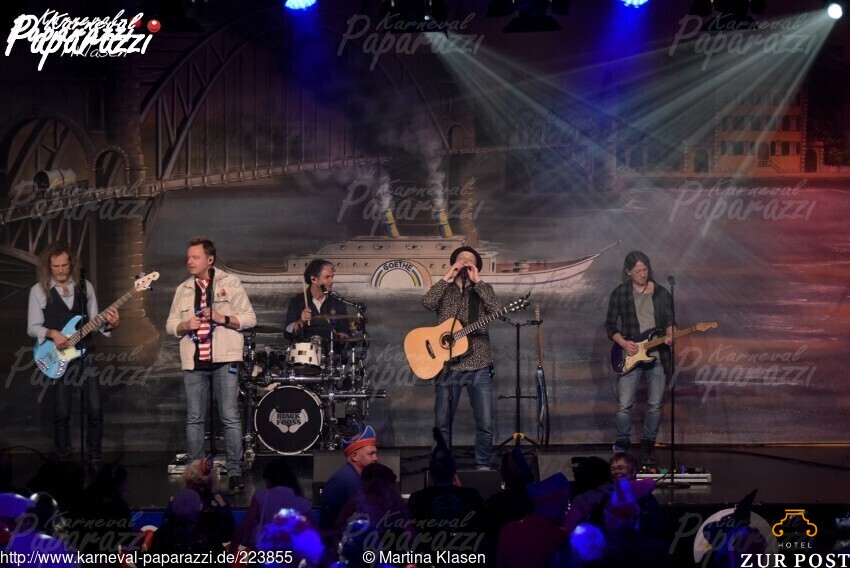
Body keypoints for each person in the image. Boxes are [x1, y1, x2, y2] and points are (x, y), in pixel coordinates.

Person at [166, 236, 256, 492]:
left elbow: (250, 318)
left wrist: (221, 317)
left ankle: (235, 472)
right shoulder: (183, 289)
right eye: (189, 257)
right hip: (194, 362)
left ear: (210, 259)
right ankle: (196, 474)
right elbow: (170, 324)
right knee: (195, 418)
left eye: (195, 257)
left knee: (230, 416)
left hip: (224, 359)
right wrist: (184, 325)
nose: (190, 261)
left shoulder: (230, 283)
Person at [27, 241, 120, 472]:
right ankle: (64, 461)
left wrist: (111, 324)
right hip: (57, 355)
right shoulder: (39, 290)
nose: (60, 271)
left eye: (64, 265)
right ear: (49, 266)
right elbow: (32, 327)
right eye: (55, 266)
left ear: (71, 264)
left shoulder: (85, 287)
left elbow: (96, 322)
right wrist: (51, 333)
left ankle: (95, 460)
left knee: (95, 409)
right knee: (62, 411)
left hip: (85, 353)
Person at [421, 246, 501, 470]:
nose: (465, 261)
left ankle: (482, 466)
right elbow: (427, 302)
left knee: (485, 423)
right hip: (448, 366)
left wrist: (478, 282)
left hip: (479, 364)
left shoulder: (483, 289)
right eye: (461, 258)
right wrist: (448, 276)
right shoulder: (445, 290)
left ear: (475, 266)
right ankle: (441, 467)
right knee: (442, 424)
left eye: (470, 259)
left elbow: (497, 310)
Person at [604, 250, 675, 465]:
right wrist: (624, 343)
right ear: (628, 272)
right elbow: (610, 325)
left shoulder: (662, 293)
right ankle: (622, 445)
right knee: (625, 404)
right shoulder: (620, 293)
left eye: (645, 270)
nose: (643, 274)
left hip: (657, 354)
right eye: (638, 271)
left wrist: (670, 334)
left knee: (655, 404)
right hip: (631, 354)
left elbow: (670, 320)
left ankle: (647, 446)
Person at [319, 425, 378, 530]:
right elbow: (329, 526)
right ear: (355, 456)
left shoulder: (361, 479)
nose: (376, 458)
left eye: (375, 453)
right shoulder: (341, 481)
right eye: (371, 454)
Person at [285, 258, 350, 343]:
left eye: (332, 277)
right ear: (314, 279)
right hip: (306, 350)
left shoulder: (337, 302)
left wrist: (343, 337)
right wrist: (301, 321)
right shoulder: (297, 302)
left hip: (330, 349)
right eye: (327, 277)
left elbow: (347, 334)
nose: (332, 281)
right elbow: (287, 334)